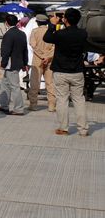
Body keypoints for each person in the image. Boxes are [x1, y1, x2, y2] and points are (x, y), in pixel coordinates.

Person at [45, 8, 90, 137]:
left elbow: (47, 38)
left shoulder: (60, 34)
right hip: (77, 71)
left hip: (61, 71)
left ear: (65, 19)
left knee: (62, 100)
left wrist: (52, 24)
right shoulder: (83, 34)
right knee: (79, 100)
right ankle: (83, 129)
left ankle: (63, 128)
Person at [0, 14, 28, 115]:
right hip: (18, 62)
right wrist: (25, 63)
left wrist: (3, 63)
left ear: (6, 22)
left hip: (11, 63)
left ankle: (18, 108)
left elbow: (6, 51)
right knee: (5, 84)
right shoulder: (21, 33)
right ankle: (4, 105)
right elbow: (25, 50)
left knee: (14, 86)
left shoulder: (8, 34)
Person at [27, 14, 56, 112]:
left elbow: (33, 45)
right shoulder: (52, 32)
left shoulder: (34, 32)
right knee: (50, 83)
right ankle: (52, 105)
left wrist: (42, 56)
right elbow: (54, 47)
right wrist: (47, 57)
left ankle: (33, 105)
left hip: (37, 59)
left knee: (35, 82)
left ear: (37, 22)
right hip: (50, 59)